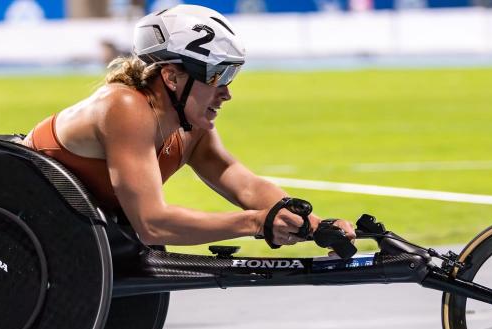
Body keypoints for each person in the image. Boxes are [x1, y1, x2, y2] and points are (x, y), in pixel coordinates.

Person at [23, 4, 355, 249]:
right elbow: (153, 225)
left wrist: (312, 224)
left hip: (63, 227)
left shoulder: (191, 125)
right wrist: (255, 222)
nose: (227, 93)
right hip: (13, 205)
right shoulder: (124, 107)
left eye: (231, 76)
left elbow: (247, 186)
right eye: (218, 75)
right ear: (171, 76)